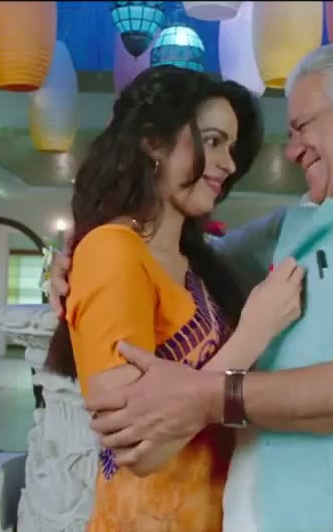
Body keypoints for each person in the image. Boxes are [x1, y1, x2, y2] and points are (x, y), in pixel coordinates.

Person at [49, 42, 333, 531]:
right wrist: (76, 262)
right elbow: (167, 263)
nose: (292, 150)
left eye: (302, 126)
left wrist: (212, 395)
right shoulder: (290, 229)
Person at [42, 65, 306, 532]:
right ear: (152, 142)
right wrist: (255, 332)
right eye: (212, 141)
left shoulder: (197, 261)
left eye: (231, 147)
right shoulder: (111, 250)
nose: (228, 164)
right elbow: (138, 449)